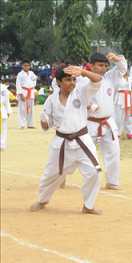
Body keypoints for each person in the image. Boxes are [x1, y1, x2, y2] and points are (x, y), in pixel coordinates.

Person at [30, 65, 103, 214]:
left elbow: (97, 81)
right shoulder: (51, 100)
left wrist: (82, 72)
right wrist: (43, 119)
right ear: (58, 82)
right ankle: (43, 199)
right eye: (67, 80)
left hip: (82, 141)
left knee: (94, 172)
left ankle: (88, 205)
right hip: (61, 143)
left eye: (74, 79)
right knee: (51, 175)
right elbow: (47, 125)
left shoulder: (81, 93)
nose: (72, 83)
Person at [84, 52, 127, 191]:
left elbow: (122, 68)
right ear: (91, 66)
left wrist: (116, 59)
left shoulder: (110, 77)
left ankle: (112, 181)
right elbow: (75, 103)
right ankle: (63, 174)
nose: (104, 68)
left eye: (106, 66)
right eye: (100, 65)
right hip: (90, 122)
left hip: (108, 122)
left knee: (113, 152)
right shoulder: (84, 81)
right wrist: (88, 107)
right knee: (81, 152)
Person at [113, 67, 132, 139]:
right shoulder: (117, 79)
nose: (124, 70)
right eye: (122, 69)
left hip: (128, 98)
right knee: (119, 118)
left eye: (126, 69)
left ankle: (129, 134)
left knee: (129, 117)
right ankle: (117, 135)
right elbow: (113, 89)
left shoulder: (129, 79)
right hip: (120, 98)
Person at [16, 58, 37, 129]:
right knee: (22, 109)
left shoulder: (31, 73)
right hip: (23, 92)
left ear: (30, 66)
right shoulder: (20, 74)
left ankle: (30, 124)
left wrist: (33, 85)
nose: (26, 67)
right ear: (22, 66)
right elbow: (18, 85)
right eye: (25, 66)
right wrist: (21, 94)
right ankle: (22, 124)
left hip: (30, 92)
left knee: (31, 109)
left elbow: (35, 80)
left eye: (27, 66)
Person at [1, 83, 12, 151]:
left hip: (1, 108)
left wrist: (8, 110)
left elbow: (6, 99)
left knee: (3, 129)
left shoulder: (2, 87)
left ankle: (1, 145)